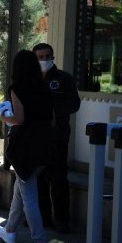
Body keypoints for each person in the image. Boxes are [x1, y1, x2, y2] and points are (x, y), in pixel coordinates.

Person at [0, 50, 54, 243]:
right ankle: (9, 231)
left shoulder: (17, 88)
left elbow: (18, 119)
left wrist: (4, 117)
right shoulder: (44, 87)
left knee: (29, 197)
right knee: (22, 187)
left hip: (25, 147)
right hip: (44, 144)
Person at [32, 43, 81, 233]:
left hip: (58, 137)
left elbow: (74, 104)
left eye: (47, 56)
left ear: (53, 57)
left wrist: (52, 112)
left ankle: (62, 220)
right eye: (40, 57)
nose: (44, 60)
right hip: (37, 138)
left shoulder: (64, 79)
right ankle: (43, 219)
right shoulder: (31, 79)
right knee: (39, 180)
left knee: (59, 179)